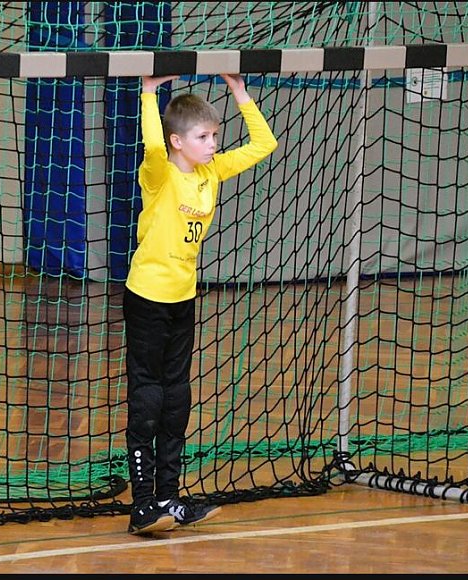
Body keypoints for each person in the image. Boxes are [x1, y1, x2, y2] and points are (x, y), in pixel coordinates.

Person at [122, 73, 278, 535]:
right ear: (178, 141)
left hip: (182, 298)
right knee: (148, 399)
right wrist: (148, 92)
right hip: (147, 296)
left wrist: (240, 92)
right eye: (203, 137)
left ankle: (168, 499)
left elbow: (263, 144)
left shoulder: (211, 172)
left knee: (177, 399)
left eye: (214, 136)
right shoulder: (159, 174)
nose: (213, 144)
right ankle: (142, 506)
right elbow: (153, 147)